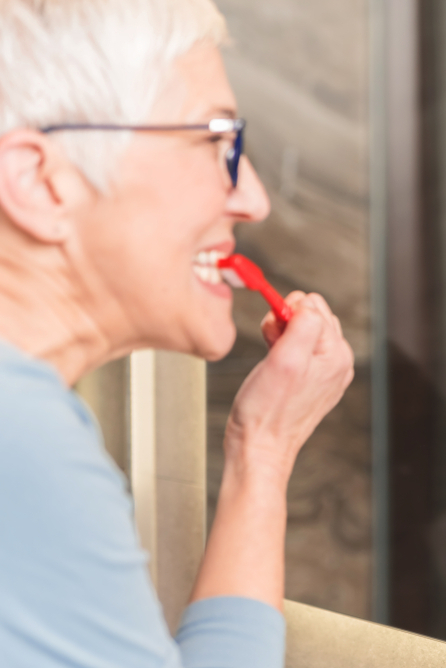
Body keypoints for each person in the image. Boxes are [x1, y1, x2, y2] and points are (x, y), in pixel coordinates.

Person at [0, 1, 354, 666]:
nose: (253, 198)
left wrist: (263, 449)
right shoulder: (23, 445)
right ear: (41, 183)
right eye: (216, 141)